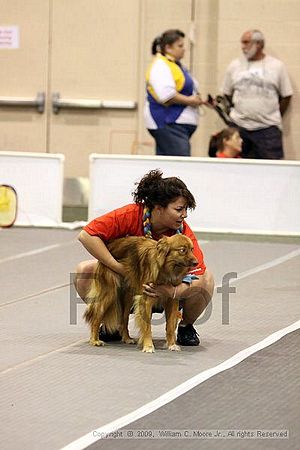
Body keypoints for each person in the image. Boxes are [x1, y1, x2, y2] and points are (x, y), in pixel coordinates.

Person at [75, 169, 214, 346]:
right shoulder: (129, 215)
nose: (184, 215)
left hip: (168, 292)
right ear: (158, 208)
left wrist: (171, 291)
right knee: (84, 271)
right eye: (179, 209)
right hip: (131, 284)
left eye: (186, 209)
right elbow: (86, 236)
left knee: (207, 280)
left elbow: (198, 275)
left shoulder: (183, 234)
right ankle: (112, 323)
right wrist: (119, 268)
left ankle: (186, 327)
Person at [222, 29, 293, 159]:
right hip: (239, 127)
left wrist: (272, 114)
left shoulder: (277, 66)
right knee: (236, 170)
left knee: (271, 170)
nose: (243, 47)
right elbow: (227, 93)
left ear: (259, 44)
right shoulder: (234, 65)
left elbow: (286, 95)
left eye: (246, 43)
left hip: (268, 129)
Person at [144, 29, 204, 157]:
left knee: (169, 166)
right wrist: (191, 101)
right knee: (179, 165)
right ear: (168, 48)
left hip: (178, 125)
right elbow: (166, 95)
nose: (184, 49)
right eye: (180, 46)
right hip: (168, 122)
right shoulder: (160, 65)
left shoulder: (176, 65)